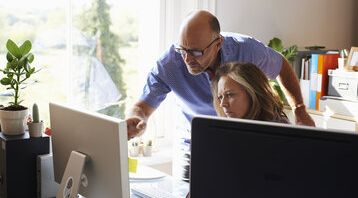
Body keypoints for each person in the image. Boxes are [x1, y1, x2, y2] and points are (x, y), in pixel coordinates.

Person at [126, 10, 315, 181]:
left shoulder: (246, 49)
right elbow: (143, 105)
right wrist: (137, 119)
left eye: (196, 52)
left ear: (218, 44)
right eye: (182, 49)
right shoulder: (170, 63)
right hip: (195, 147)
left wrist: (299, 109)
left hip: (245, 145)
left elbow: (281, 65)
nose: (187, 59)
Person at [212, 61, 289, 123]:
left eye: (229, 95)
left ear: (252, 94)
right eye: (220, 97)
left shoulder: (282, 133)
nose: (222, 104)